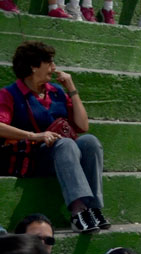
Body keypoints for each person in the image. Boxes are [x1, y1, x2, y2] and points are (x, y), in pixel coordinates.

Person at [1, 42, 109, 234]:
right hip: (32, 157)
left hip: (63, 155)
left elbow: (83, 126)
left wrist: (71, 89)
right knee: (66, 144)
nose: (54, 67)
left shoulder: (56, 91)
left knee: (90, 141)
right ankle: (78, 212)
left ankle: (94, 208)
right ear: (34, 66)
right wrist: (34, 135)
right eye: (49, 62)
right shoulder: (9, 94)